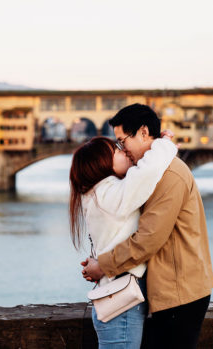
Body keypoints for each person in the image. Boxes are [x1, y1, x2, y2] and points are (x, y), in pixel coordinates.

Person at [81, 103, 213, 349]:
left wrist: (104, 266)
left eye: (123, 141)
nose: (122, 148)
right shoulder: (153, 171)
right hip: (169, 291)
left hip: (179, 294)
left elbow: (148, 238)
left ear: (143, 132)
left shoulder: (168, 175)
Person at [69, 132, 178, 349]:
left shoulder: (97, 194)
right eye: (117, 151)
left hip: (116, 299)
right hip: (122, 303)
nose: (124, 152)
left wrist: (100, 265)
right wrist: (163, 143)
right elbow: (148, 172)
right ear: (102, 164)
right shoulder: (109, 193)